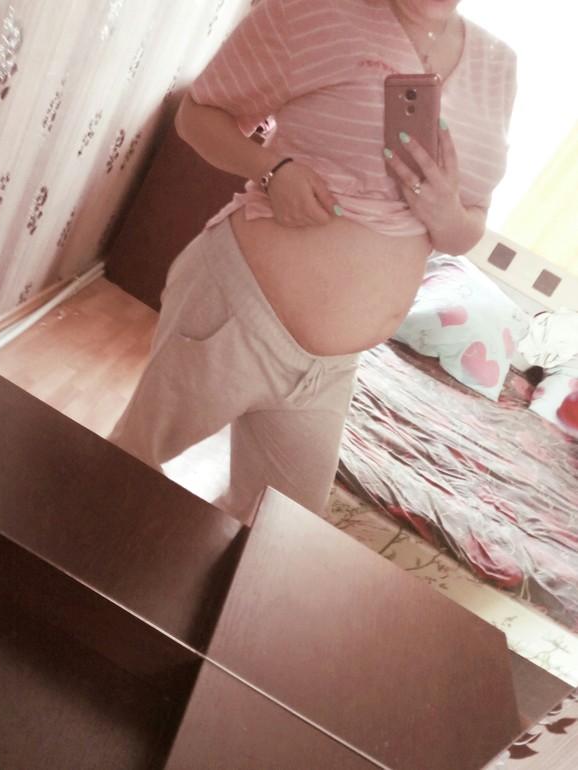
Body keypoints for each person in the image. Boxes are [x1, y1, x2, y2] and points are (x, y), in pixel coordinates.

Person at [110, 0, 517, 523]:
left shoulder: (497, 64)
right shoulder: (311, 12)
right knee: (126, 468)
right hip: (237, 313)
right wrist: (272, 169)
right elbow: (197, 116)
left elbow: (467, 228)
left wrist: (445, 213)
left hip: (332, 368)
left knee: (275, 529)